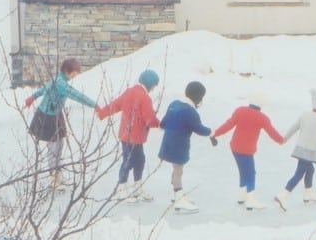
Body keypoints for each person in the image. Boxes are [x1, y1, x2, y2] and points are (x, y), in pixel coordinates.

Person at [25, 57, 100, 187]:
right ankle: (53, 177)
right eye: (75, 72)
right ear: (68, 71)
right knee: (54, 147)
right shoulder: (60, 83)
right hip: (48, 116)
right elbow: (77, 95)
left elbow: (44, 89)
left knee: (60, 143)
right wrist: (95, 105)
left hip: (56, 115)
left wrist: (33, 97)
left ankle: (57, 174)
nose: (76, 75)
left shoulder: (59, 78)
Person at [212, 91, 285, 210]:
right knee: (250, 173)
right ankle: (250, 198)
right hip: (246, 150)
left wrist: (215, 133)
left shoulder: (240, 111)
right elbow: (272, 133)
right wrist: (281, 140)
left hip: (235, 147)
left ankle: (242, 195)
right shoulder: (262, 118)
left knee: (243, 171)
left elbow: (228, 125)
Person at [96, 69, 161, 203]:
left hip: (126, 134)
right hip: (135, 135)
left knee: (137, 160)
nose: (154, 89)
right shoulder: (144, 97)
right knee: (130, 161)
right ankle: (121, 188)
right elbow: (149, 117)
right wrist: (159, 124)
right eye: (154, 85)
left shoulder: (129, 92)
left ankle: (136, 186)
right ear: (149, 83)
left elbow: (115, 105)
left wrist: (103, 113)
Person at [274, 89, 316, 211]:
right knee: (299, 173)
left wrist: (285, 138)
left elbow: (294, 127)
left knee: (310, 170)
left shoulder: (304, 115)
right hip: (310, 151)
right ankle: (283, 195)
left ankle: (308, 193)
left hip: (301, 149)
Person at [158, 81, 213, 213]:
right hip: (179, 144)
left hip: (167, 143)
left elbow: (163, 123)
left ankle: (177, 193)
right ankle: (178, 197)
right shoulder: (190, 111)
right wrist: (211, 132)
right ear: (198, 97)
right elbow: (199, 129)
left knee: (176, 169)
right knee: (178, 170)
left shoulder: (174, 104)